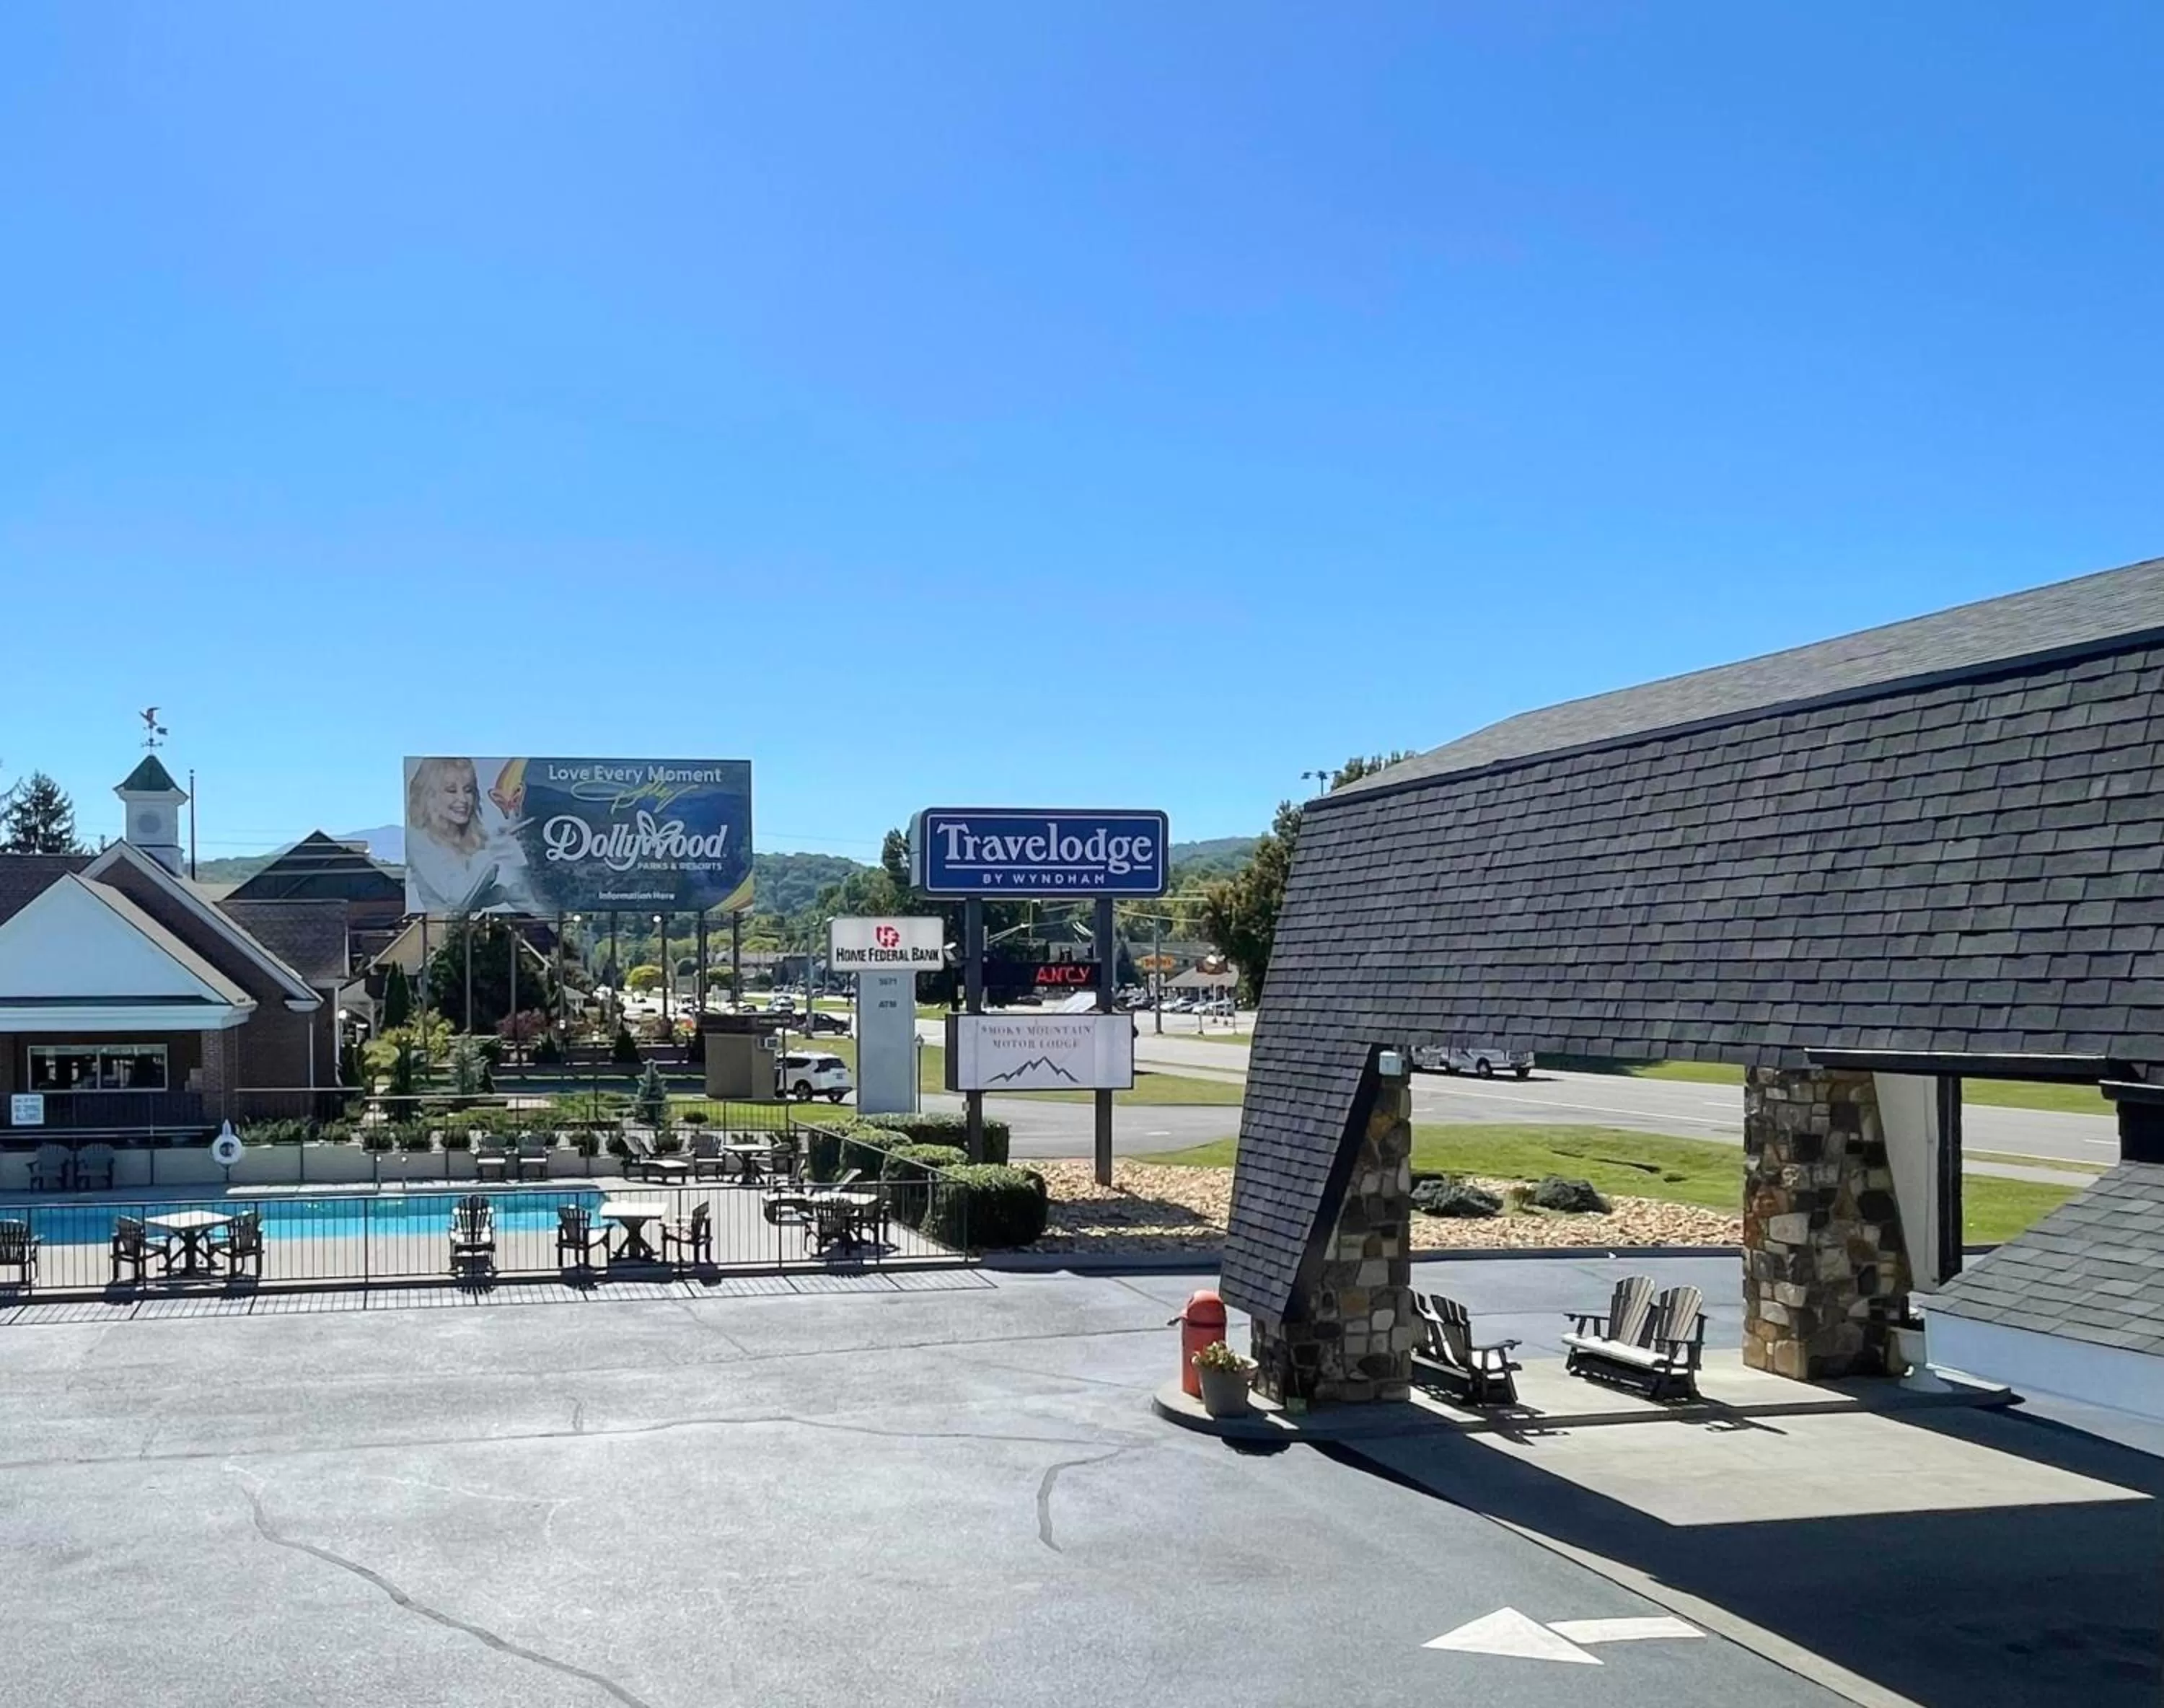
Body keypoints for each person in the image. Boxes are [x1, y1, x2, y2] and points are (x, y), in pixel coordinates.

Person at [405, 757, 535, 915]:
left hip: (469, 931)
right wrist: (491, 853)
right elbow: (458, 900)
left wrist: (507, 892)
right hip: (435, 932)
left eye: (468, 790)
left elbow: (474, 898)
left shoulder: (474, 837)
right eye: (451, 791)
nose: (463, 799)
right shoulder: (420, 840)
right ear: (429, 796)